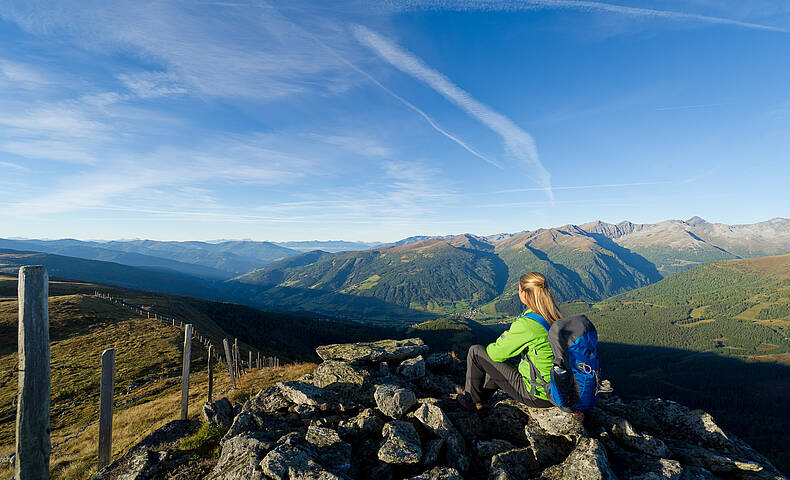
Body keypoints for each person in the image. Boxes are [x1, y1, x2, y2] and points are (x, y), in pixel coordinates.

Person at [457, 272, 562, 411]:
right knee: (504, 365)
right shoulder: (554, 315)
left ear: (524, 294)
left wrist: (503, 340)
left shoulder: (528, 324)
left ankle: (471, 401)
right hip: (557, 388)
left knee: (476, 352)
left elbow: (495, 354)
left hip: (538, 395)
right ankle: (481, 399)